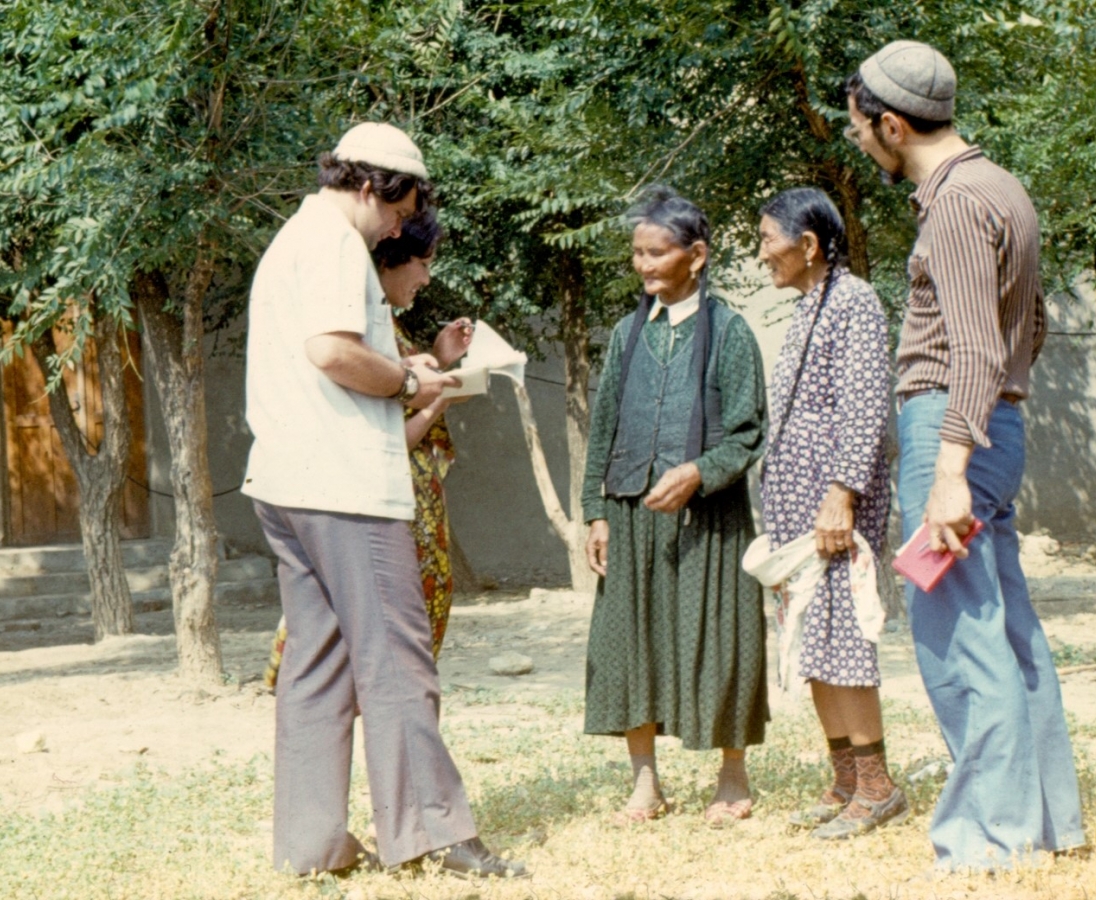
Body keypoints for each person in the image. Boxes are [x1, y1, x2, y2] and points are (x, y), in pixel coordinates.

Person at [242, 122, 525, 879]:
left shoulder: (293, 239)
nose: (401, 226)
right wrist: (411, 381)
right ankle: (433, 835)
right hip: (345, 488)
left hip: (286, 483)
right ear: (369, 186)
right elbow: (333, 352)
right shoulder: (337, 243)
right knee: (397, 660)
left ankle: (313, 844)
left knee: (317, 664)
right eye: (399, 211)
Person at [844, 42, 1086, 868]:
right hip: (995, 426)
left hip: (950, 428)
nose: (860, 143)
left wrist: (947, 470)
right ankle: (1049, 822)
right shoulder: (1002, 187)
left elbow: (976, 348)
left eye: (860, 129)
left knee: (955, 634)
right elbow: (1032, 329)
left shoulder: (950, 206)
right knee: (1007, 626)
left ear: (892, 123)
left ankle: (987, 838)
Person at [582, 186, 769, 825]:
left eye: (656, 253)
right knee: (631, 640)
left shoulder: (732, 333)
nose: (643, 265)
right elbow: (603, 426)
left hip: (709, 518)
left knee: (720, 637)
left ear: (696, 256)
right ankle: (644, 784)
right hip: (633, 516)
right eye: (636, 253)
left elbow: (748, 433)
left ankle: (733, 777)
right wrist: (596, 511)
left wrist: (698, 472)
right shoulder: (627, 335)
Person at [263, 210, 472, 687]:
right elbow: (379, 436)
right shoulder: (355, 339)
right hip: (377, 513)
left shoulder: (382, 328)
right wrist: (437, 400)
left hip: (397, 507)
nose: (427, 277)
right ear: (392, 259)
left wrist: (437, 361)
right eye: (423, 262)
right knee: (373, 657)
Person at [756, 188, 907, 839]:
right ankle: (845, 779)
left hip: (834, 509)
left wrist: (842, 493)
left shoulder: (855, 302)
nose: (762, 255)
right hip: (798, 512)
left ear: (809, 245)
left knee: (843, 638)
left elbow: (866, 406)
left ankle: (878, 789)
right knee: (813, 640)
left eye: (767, 240)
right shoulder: (807, 309)